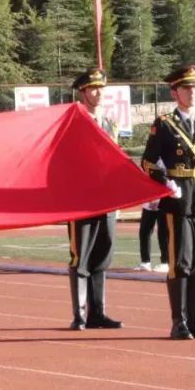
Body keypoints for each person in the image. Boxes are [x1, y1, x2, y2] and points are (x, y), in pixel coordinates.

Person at [141, 65, 195, 340]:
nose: (192, 91)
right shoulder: (164, 124)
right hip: (177, 201)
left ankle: (194, 318)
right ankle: (178, 322)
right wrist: (165, 181)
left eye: (194, 86)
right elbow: (148, 161)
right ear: (175, 92)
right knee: (180, 263)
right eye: (186, 87)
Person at [66, 68, 123, 331]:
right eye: (93, 89)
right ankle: (79, 315)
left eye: (101, 88)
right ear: (83, 92)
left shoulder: (110, 124)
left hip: (108, 200)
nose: (98, 93)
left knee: (102, 257)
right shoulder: (73, 121)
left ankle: (97, 313)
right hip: (82, 200)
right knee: (82, 258)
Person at [136, 200, 169, 273]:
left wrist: (157, 200)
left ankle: (165, 262)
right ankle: (145, 262)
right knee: (144, 232)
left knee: (163, 233)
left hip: (164, 202)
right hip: (148, 204)